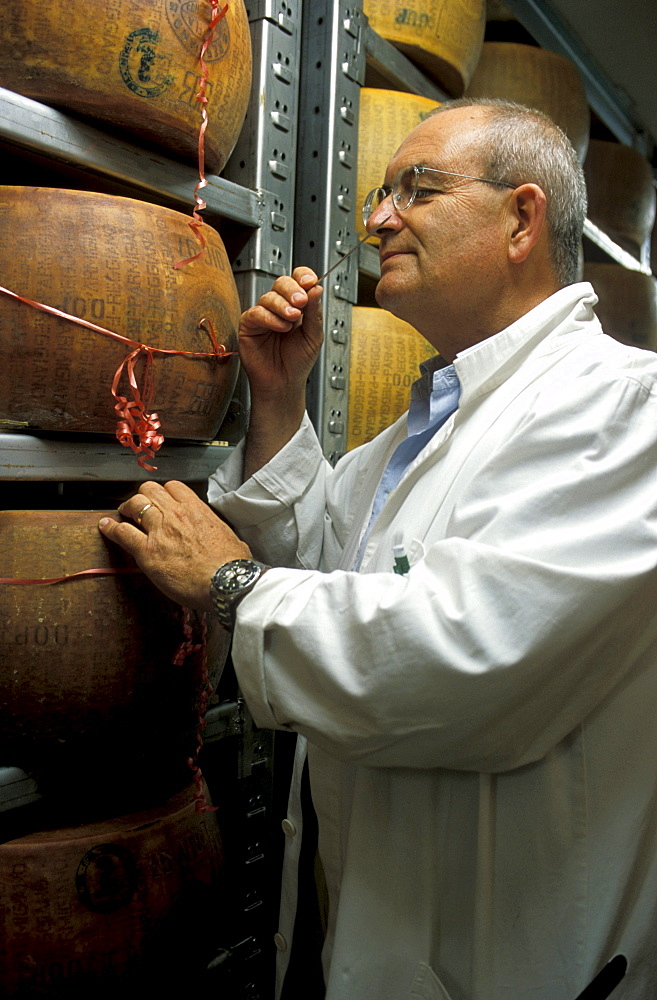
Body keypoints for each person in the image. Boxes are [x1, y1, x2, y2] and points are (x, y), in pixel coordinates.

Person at [99, 99, 657, 1000]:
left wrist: (229, 583)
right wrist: (278, 401)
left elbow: (462, 656)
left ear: (521, 218)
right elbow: (334, 571)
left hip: (524, 966)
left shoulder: (625, 412)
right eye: (377, 196)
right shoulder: (428, 423)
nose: (380, 220)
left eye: (417, 189)